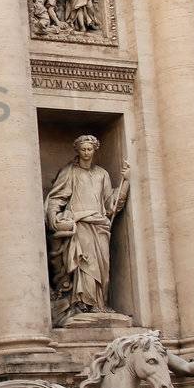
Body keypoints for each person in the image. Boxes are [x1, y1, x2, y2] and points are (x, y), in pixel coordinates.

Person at [44, 135, 130, 323]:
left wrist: (125, 182)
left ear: (94, 150)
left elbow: (110, 204)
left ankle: (99, 303)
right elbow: (56, 198)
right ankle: (83, 304)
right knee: (85, 264)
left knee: (102, 266)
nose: (86, 152)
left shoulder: (102, 174)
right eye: (83, 149)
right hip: (80, 223)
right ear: (78, 150)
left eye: (89, 149)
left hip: (100, 224)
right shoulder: (69, 172)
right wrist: (54, 218)